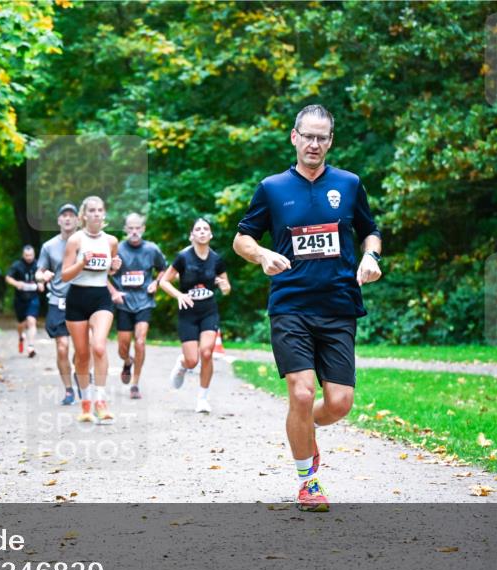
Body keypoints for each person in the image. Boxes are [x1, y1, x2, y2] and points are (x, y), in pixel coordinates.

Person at [232, 104, 383, 512]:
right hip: (290, 306)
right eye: (308, 136)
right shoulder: (272, 187)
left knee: (339, 403)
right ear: (294, 137)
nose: (314, 144)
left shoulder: (349, 184)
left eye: (322, 137)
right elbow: (241, 238)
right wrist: (262, 254)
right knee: (300, 392)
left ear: (330, 141)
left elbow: (370, 231)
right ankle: (308, 480)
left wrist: (372, 257)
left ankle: (305, 427)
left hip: (338, 305)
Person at [157, 218, 231, 414]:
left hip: (209, 311)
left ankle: (202, 399)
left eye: (205, 229)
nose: (202, 232)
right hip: (188, 313)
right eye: (197, 229)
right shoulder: (183, 258)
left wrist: (224, 286)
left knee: (207, 352)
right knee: (192, 361)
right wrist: (179, 295)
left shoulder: (217, 259)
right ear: (192, 235)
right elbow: (164, 282)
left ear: (211, 234)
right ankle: (182, 364)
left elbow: (226, 287)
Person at [61, 196, 122, 423]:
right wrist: (80, 263)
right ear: (83, 215)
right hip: (77, 297)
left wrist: (115, 268)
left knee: (98, 346)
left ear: (104, 214)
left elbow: (110, 269)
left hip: (101, 298)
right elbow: (65, 274)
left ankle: (101, 400)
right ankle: (85, 404)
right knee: (83, 354)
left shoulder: (111, 241)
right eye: (92, 211)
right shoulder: (75, 240)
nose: (96, 214)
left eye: (100, 210)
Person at [108, 212, 167, 399]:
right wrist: (114, 292)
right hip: (124, 303)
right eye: (130, 228)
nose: (134, 231)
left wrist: (156, 283)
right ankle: (127, 361)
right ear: (125, 229)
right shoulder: (117, 249)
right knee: (122, 347)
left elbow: (164, 269)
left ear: (143, 229)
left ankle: (135, 383)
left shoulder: (152, 249)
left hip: (144, 302)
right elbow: (102, 273)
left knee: (140, 342)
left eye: (137, 228)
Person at [37, 203, 80, 405]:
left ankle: (80, 371)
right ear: (59, 220)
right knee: (62, 347)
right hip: (57, 301)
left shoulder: (86, 242)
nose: (68, 219)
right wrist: (42, 275)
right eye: (64, 215)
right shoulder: (49, 246)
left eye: (72, 215)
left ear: (78, 220)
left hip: (82, 299)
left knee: (82, 349)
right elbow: (39, 271)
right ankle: (69, 390)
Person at [6, 246, 43, 357]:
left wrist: (42, 283)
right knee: (21, 323)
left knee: (31, 320)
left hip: (33, 297)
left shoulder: (38, 265)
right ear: (23, 255)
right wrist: (17, 284)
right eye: (26, 255)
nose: (29, 257)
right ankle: (21, 335)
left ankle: (31, 347)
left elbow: (43, 277)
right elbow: (8, 278)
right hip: (20, 299)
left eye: (30, 255)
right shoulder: (17, 265)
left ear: (34, 254)